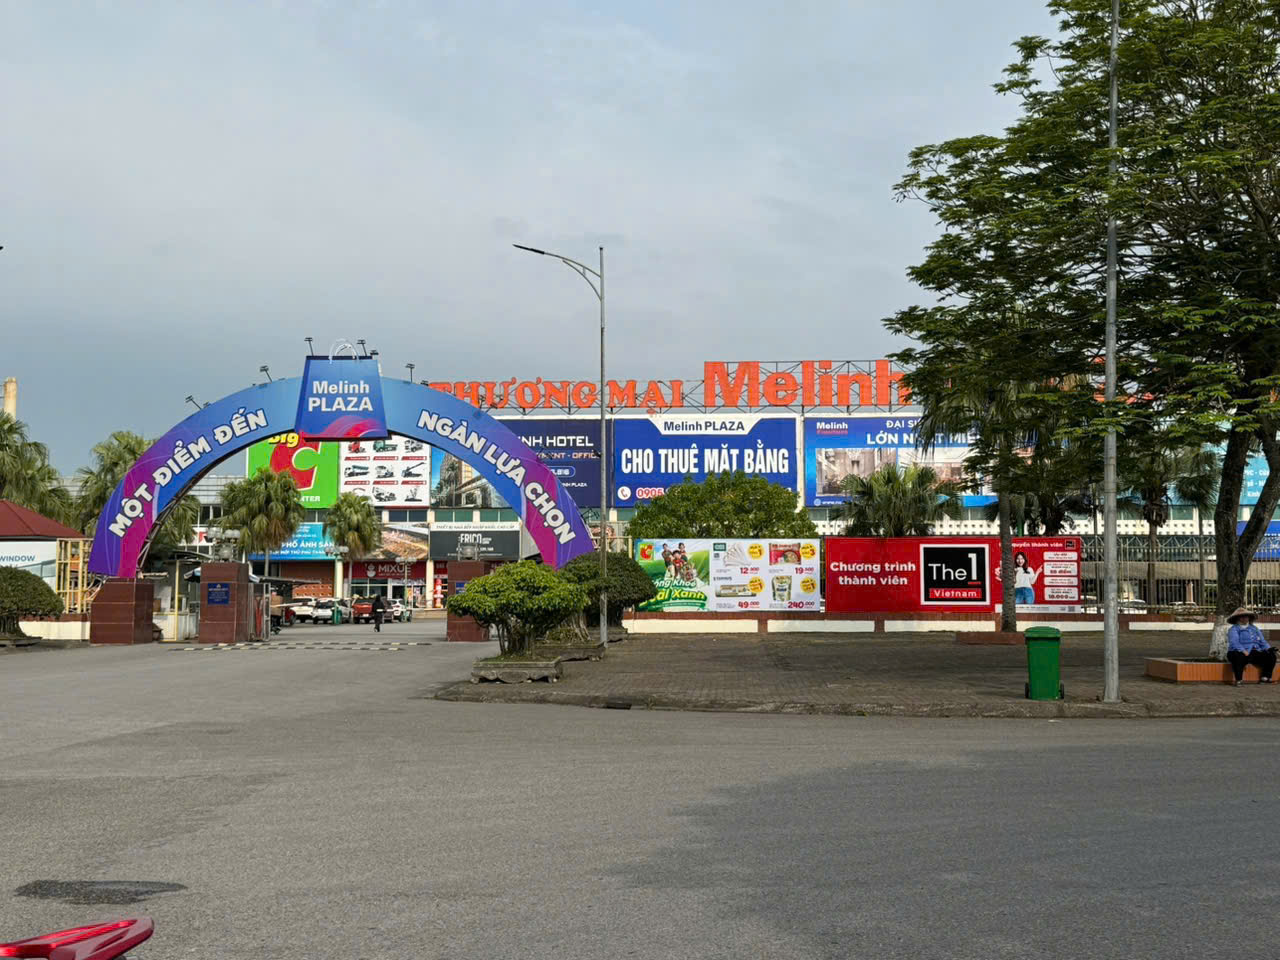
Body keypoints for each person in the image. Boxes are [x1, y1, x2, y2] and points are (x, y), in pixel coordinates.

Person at [1226, 608, 1276, 686]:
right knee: (1239, 656)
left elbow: (1262, 641)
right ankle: (1238, 680)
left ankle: (1265, 677)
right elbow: (1234, 642)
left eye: (1246, 616)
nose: (1245, 618)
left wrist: (1269, 648)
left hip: (1253, 651)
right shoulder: (1234, 629)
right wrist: (1243, 650)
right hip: (1237, 651)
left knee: (1271, 655)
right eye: (1242, 616)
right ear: (1237, 618)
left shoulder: (1254, 628)